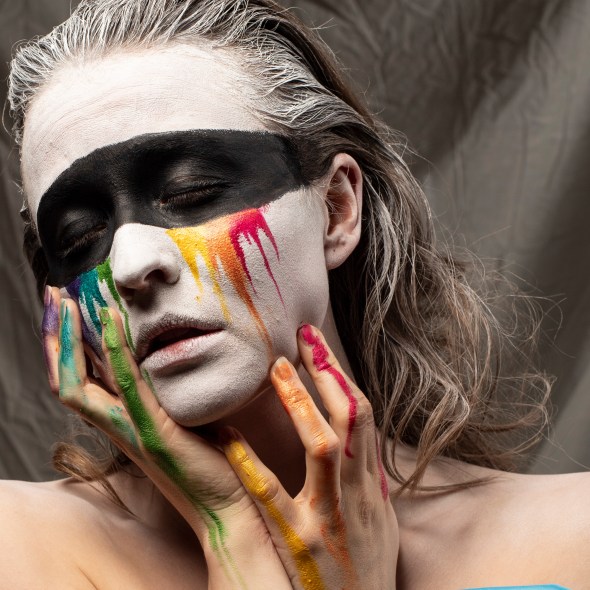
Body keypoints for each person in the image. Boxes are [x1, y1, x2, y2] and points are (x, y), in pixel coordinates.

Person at [2, 0, 587, 587]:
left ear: (336, 209)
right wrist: (229, 526)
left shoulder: (571, 537)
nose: (131, 265)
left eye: (191, 191)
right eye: (78, 237)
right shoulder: (19, 544)